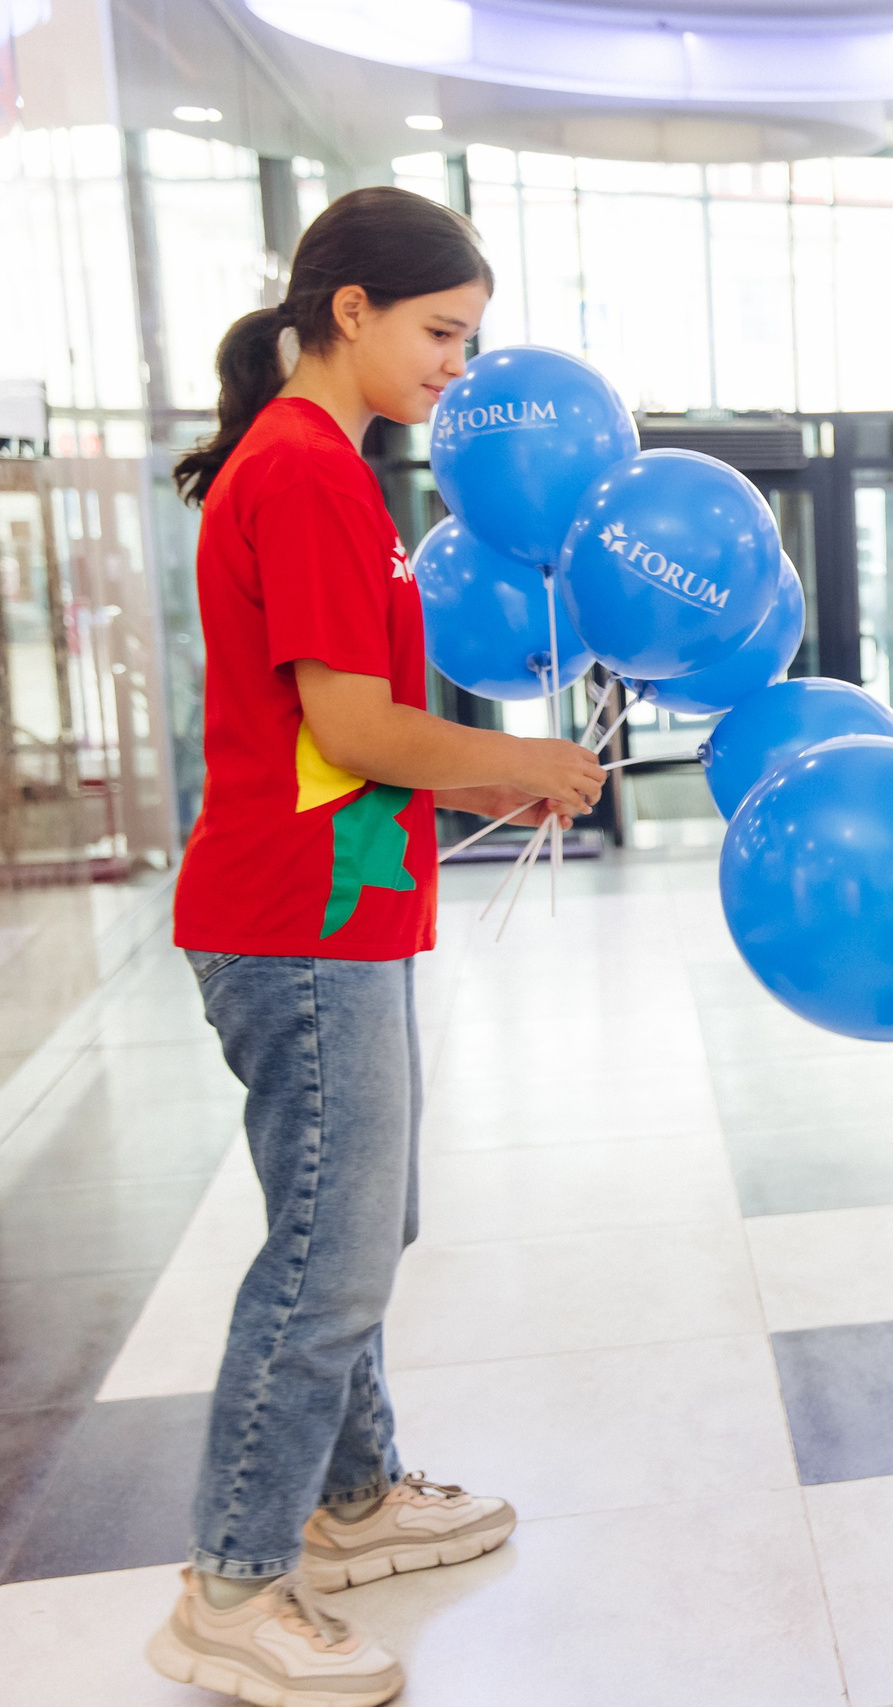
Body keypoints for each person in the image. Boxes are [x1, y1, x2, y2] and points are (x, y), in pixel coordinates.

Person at [152, 187, 605, 1705]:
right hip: (296, 923)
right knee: (325, 1255)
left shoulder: (320, 466)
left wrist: (500, 770)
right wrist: (524, 762)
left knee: (356, 1222)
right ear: (349, 310)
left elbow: (332, 737)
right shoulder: (304, 473)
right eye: (440, 334)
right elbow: (348, 727)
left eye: (468, 342)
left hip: (329, 908)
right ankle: (232, 1580)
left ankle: (353, 1498)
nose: (454, 371)